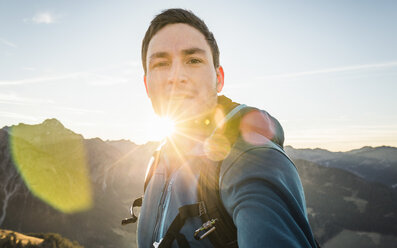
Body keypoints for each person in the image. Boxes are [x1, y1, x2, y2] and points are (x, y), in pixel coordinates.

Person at [136, 8, 318, 248]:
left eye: (193, 60)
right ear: (147, 85)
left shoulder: (250, 158)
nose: (176, 76)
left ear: (218, 79)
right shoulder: (158, 158)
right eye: (161, 63)